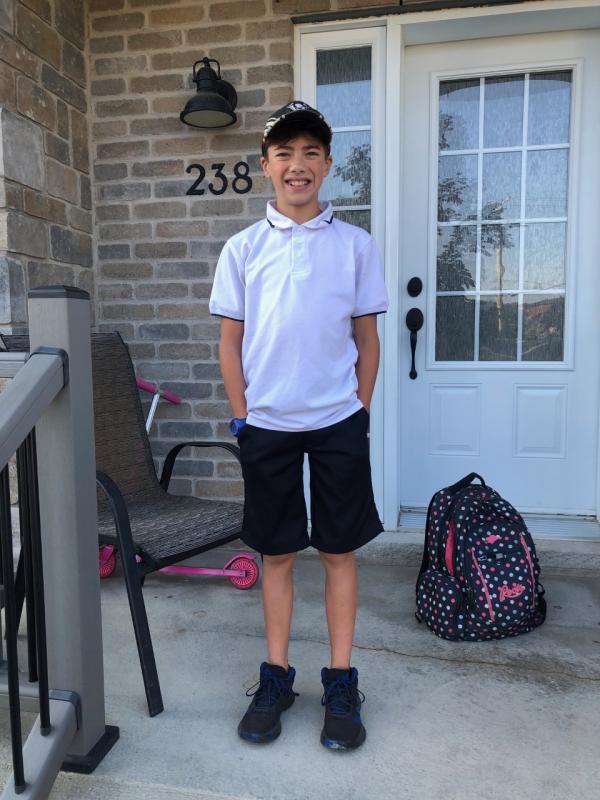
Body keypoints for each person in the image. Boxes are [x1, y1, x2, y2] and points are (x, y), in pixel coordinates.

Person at [209, 101, 388, 751]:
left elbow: (367, 340)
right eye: (284, 153)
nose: (298, 164)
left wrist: (359, 409)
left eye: (311, 151)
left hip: (338, 421)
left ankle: (340, 681)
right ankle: (277, 678)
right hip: (268, 425)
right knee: (277, 551)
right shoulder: (243, 249)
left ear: (328, 164)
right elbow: (231, 343)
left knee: (339, 550)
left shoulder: (355, 246)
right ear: (265, 165)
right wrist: (243, 415)